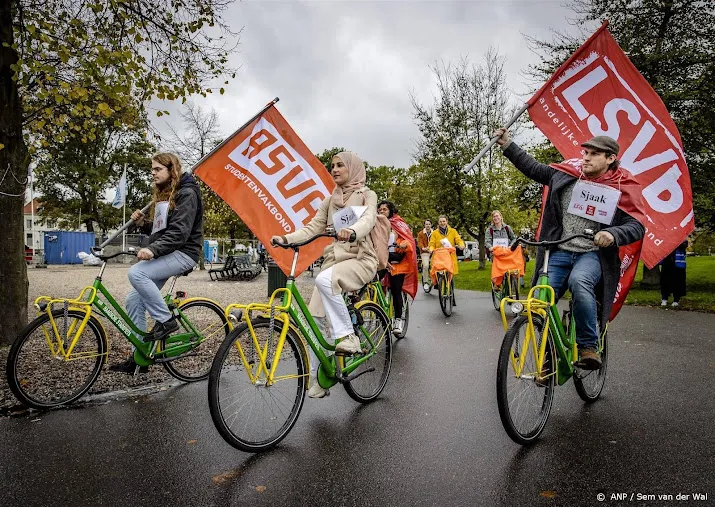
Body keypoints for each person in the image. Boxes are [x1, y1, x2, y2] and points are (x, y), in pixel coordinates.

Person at [493, 128, 645, 370]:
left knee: (579, 282)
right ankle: (550, 353)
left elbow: (636, 225)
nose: (586, 157)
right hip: (559, 251)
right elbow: (534, 168)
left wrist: (612, 233)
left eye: (595, 154)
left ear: (610, 158)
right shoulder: (568, 173)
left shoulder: (621, 185)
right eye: (586, 152)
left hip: (592, 255)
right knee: (540, 299)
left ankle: (588, 347)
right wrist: (507, 144)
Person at [271, 151, 378, 399]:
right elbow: (312, 228)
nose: (335, 169)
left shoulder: (366, 195)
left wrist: (352, 230)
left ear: (353, 168)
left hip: (360, 259)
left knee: (323, 279)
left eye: (341, 165)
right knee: (312, 321)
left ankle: (349, 337)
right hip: (335, 262)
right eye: (332, 166)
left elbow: (369, 219)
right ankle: (323, 373)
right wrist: (286, 239)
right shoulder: (330, 201)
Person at [110, 153, 203, 373]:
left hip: (184, 252)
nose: (153, 173)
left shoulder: (187, 193)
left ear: (172, 170)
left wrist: (152, 250)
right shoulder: (167, 194)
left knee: (137, 273)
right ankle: (140, 357)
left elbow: (179, 233)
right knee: (134, 300)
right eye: (152, 169)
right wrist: (144, 224)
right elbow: (163, 228)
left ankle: (166, 321)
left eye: (157, 169)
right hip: (169, 252)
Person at [377, 200, 418, 336]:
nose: (381, 211)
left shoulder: (398, 223)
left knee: (396, 289)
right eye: (380, 209)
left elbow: (408, 240)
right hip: (381, 259)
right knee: (371, 280)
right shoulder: (375, 223)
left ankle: (398, 320)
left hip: (397, 261)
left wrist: (403, 245)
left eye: (384, 209)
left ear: (391, 211)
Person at [428, 215, 466, 303]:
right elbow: (432, 243)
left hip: (449, 256)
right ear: (438, 222)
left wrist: (461, 245)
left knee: (450, 275)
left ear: (447, 221)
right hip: (439, 256)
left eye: (444, 221)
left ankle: (451, 293)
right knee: (438, 272)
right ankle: (439, 284)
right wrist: (431, 249)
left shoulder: (453, 231)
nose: (442, 223)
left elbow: (458, 239)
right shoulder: (435, 233)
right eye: (440, 221)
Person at [660, 240, 688, 307]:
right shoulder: (665, 237)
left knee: (678, 282)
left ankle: (676, 300)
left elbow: (684, 245)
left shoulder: (681, 236)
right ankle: (664, 299)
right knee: (665, 282)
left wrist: (676, 243)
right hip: (666, 263)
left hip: (678, 265)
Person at [417, 219, 434, 291]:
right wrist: (423, 248)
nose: (428, 225)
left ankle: (437, 280)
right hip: (424, 252)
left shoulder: (434, 233)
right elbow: (420, 242)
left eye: (429, 224)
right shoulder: (421, 233)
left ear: (431, 225)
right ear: (424, 225)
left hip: (433, 251)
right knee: (426, 265)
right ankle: (426, 282)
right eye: (426, 224)